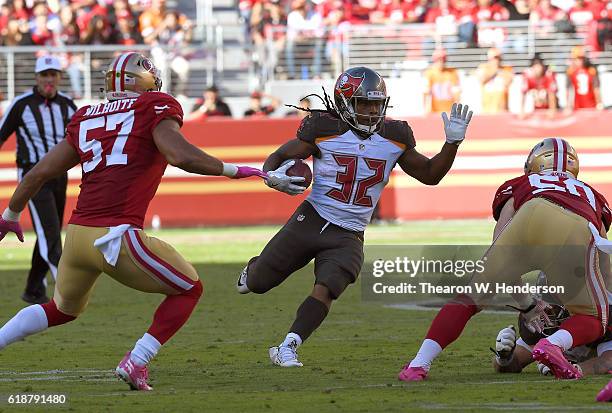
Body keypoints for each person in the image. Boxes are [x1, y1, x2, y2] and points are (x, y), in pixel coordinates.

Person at [0, 52, 266, 391]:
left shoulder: (86, 116)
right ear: (146, 81)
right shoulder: (154, 106)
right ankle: (137, 360)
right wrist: (238, 170)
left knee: (60, 309)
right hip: (116, 236)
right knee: (189, 289)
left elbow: (38, 173)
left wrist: (9, 215)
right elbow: (180, 155)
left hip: (78, 236)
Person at [236, 66, 473, 367]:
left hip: (349, 233)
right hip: (311, 218)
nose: (372, 111)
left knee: (329, 287)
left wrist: (452, 144)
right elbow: (280, 156)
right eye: (364, 103)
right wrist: (272, 177)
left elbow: (430, 175)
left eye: (377, 103)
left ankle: (288, 345)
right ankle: (253, 268)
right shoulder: (324, 127)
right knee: (258, 283)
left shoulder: (395, 136)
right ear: (345, 102)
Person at [399, 137, 611, 381]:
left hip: (530, 212)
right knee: (595, 318)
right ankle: (552, 345)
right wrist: (601, 300)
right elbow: (602, 257)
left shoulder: (522, 183)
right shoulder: (591, 194)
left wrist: (527, 304)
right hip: (574, 226)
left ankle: (418, 364)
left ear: (533, 164)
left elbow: (500, 239)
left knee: (469, 298)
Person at [0, 55, 77, 305]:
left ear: (59, 77)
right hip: (32, 176)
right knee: (51, 233)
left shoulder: (68, 105)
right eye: (45, 75)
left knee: (48, 230)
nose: (49, 79)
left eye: (53, 74)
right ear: (37, 77)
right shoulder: (21, 104)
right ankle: (68, 290)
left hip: (59, 176)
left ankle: (34, 289)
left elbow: (80, 138)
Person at [476, 47, 513, 114]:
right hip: (487, 109)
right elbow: (482, 79)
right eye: (495, 57)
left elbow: (508, 82)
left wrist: (499, 71)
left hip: (502, 108)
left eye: (499, 58)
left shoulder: (506, 69)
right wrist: (494, 71)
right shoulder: (483, 67)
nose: (497, 60)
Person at [565, 46, 603, 112]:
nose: (579, 61)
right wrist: (568, 105)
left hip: (591, 107)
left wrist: (599, 103)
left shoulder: (591, 70)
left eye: (581, 58)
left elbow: (596, 88)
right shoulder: (571, 71)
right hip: (577, 107)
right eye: (577, 59)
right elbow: (570, 90)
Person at [423, 48, 461, 114]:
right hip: (435, 111)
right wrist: (426, 110)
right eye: (438, 59)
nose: (441, 61)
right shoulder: (429, 73)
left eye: (443, 59)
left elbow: (456, 93)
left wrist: (457, 110)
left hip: (450, 111)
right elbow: (426, 92)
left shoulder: (452, 72)